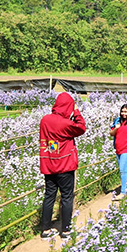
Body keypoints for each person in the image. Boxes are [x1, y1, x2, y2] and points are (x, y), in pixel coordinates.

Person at [39, 92, 87, 239]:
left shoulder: (45, 120)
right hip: (65, 165)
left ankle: (45, 229)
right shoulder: (66, 123)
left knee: (49, 196)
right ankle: (65, 230)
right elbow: (81, 128)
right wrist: (76, 111)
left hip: (49, 164)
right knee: (67, 197)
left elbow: (52, 142)